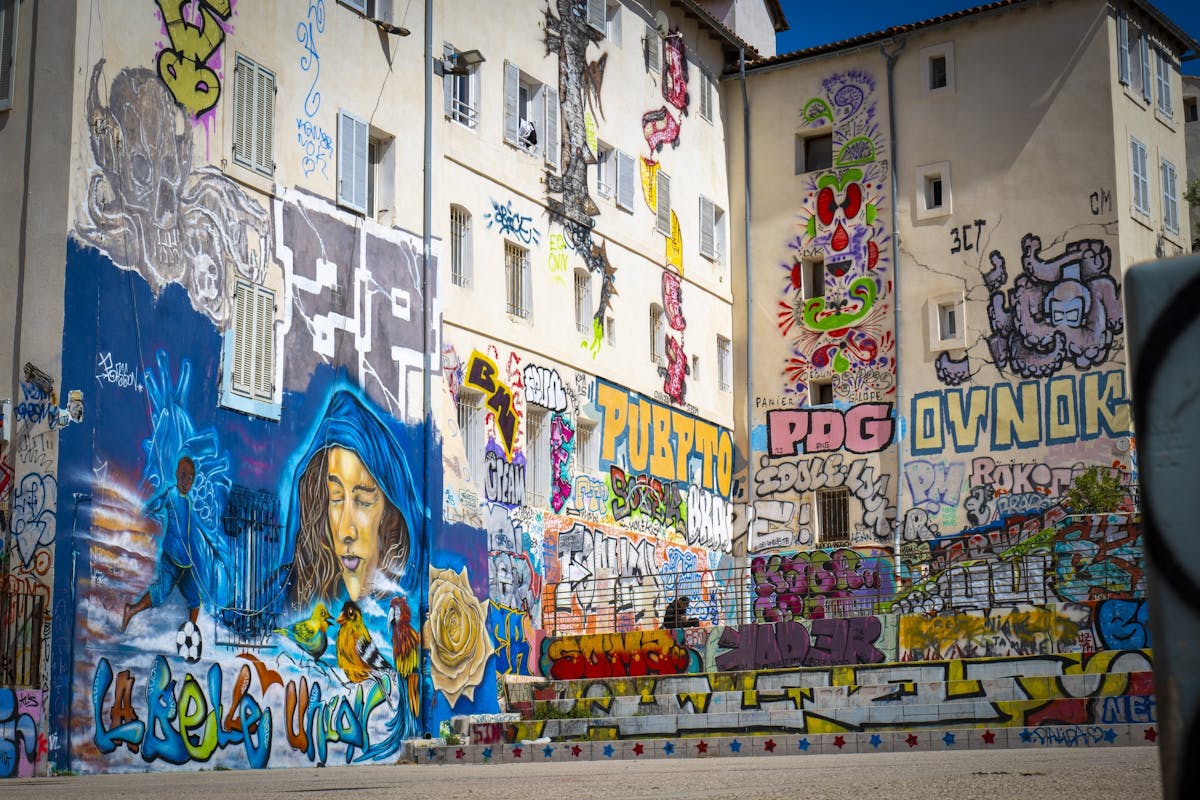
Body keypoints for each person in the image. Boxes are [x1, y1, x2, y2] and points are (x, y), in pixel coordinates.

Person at [288, 389, 424, 607]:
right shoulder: (286, 597)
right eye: (336, 497)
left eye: (363, 501)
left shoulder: (419, 595)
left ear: (391, 516)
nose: (345, 532)